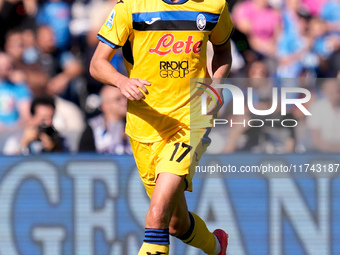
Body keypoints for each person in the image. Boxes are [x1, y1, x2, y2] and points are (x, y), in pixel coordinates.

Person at [90, 0, 233, 255]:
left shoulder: (214, 6)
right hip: (145, 125)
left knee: (156, 217)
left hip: (192, 120)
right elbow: (97, 63)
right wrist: (121, 82)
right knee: (176, 224)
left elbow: (223, 51)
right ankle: (216, 247)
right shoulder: (131, 7)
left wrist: (216, 84)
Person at [3, 96, 69, 154]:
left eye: (51, 118)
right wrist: (24, 142)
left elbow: (66, 161)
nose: (48, 123)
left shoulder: (60, 140)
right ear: (32, 117)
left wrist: (53, 149)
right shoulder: (15, 139)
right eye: (43, 119)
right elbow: (7, 164)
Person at [78, 85, 131, 154]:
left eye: (124, 97)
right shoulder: (93, 127)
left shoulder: (134, 124)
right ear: (104, 105)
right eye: (118, 99)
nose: (124, 102)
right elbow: (84, 158)